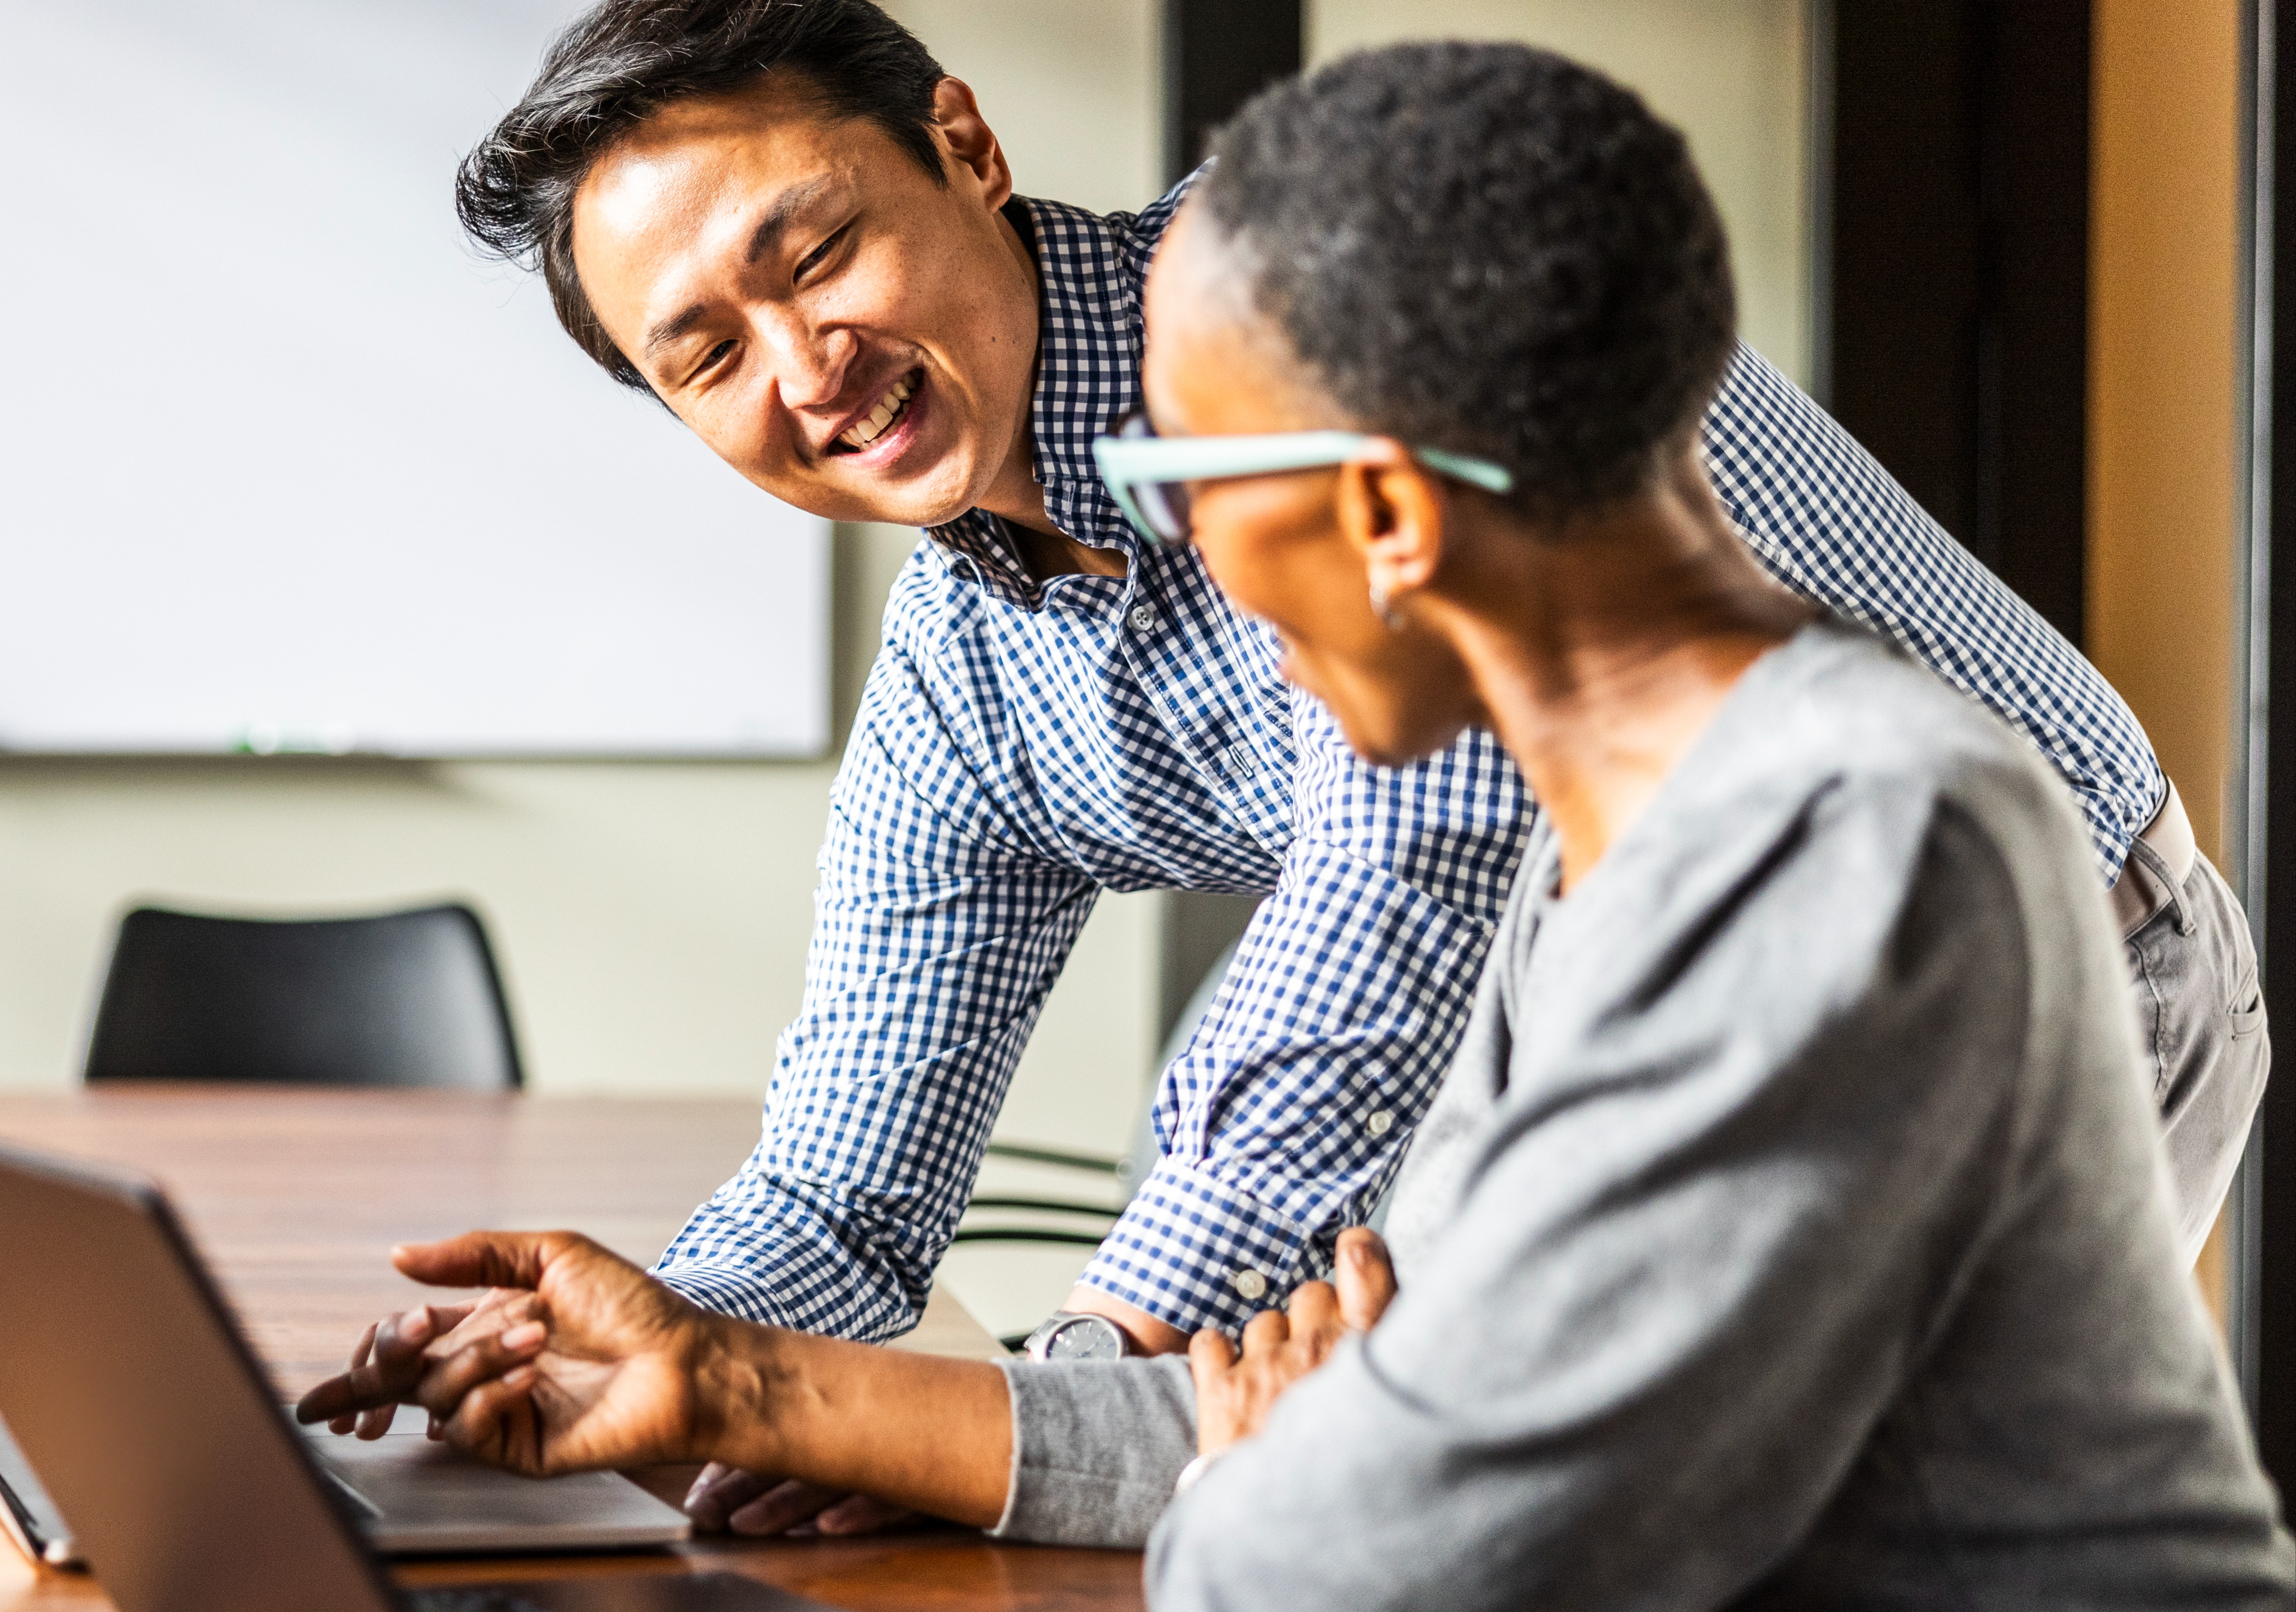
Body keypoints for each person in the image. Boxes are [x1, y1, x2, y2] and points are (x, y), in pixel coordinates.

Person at [298, 42, 2296, 1603]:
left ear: (963, 147)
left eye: (813, 254)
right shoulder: (996, 649)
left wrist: (1115, 1416)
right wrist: (607, 1370)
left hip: (2051, 942)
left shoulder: (1327, 330)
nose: (804, 370)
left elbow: (1374, 983)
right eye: (708, 354)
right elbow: (857, 1185)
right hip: (1649, 961)